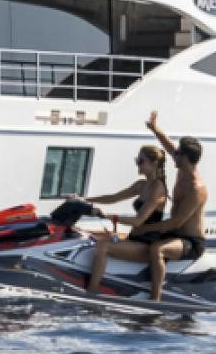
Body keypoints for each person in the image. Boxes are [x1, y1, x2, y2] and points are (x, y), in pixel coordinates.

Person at [136, 110, 208, 302]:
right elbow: (168, 144)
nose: (173, 155)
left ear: (184, 158)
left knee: (156, 249)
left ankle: (155, 299)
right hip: (174, 234)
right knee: (134, 238)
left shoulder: (196, 189)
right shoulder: (182, 169)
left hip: (190, 241)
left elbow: (176, 222)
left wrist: (145, 227)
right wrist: (154, 128)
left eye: (177, 154)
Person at [83, 144, 170, 294]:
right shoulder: (141, 185)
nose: (137, 164)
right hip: (134, 238)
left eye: (141, 161)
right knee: (93, 237)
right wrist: (84, 199)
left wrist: (106, 215)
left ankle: (92, 291)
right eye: (137, 160)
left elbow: (138, 221)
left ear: (154, 163)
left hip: (147, 244)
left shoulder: (158, 188)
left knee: (103, 246)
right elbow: (114, 197)